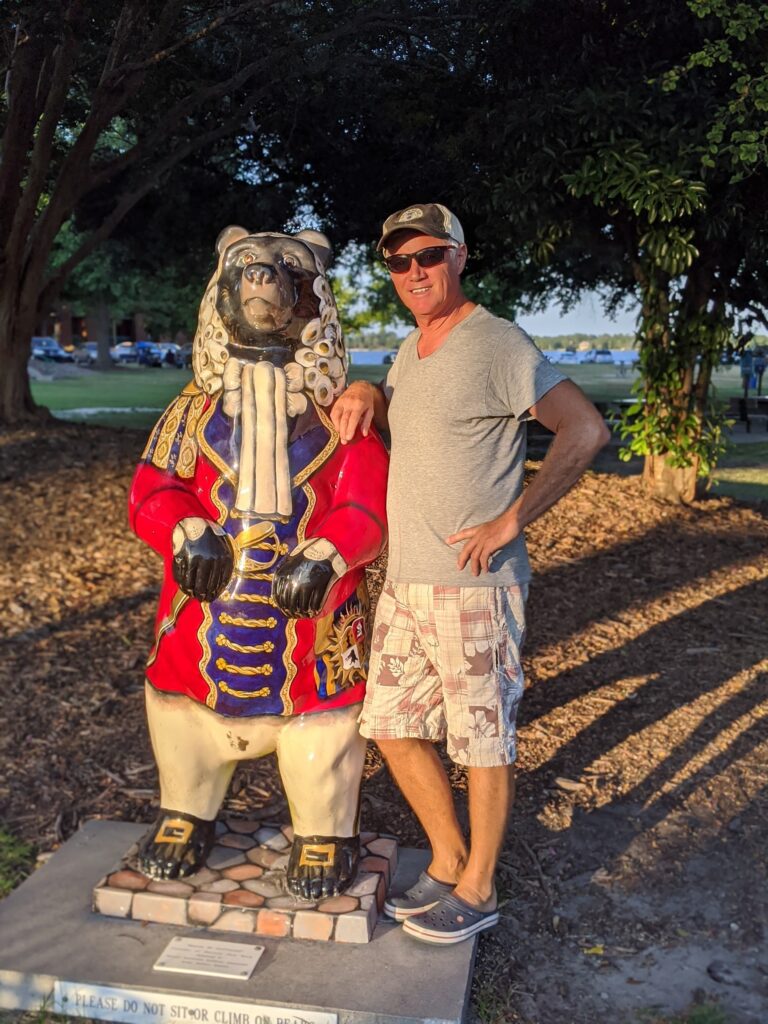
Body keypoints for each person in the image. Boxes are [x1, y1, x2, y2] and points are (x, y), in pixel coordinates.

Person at [330, 203, 609, 945]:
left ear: (458, 256)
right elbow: (410, 422)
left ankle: (480, 886)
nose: (414, 272)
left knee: (482, 739)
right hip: (406, 582)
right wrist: (368, 391)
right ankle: (449, 856)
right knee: (389, 725)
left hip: (473, 586)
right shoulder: (410, 347)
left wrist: (513, 520)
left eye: (428, 255)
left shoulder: (497, 343)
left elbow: (585, 429)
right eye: (399, 262)